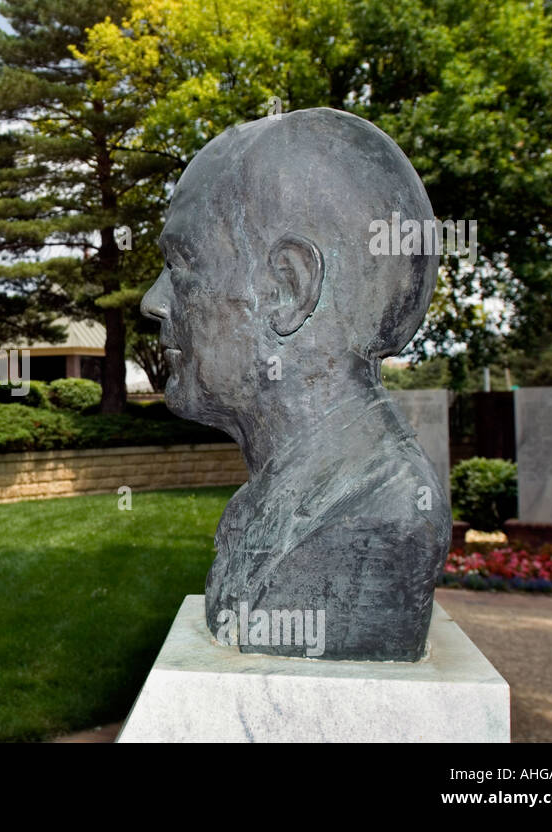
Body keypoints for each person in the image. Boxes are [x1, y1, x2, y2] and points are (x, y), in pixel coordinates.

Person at [140, 108, 451, 661]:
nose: (155, 301)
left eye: (182, 264)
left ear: (288, 289)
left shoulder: (384, 517)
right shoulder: (258, 506)